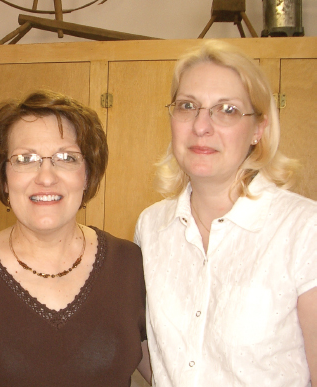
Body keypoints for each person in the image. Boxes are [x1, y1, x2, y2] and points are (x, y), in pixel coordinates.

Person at [0, 90, 150, 386]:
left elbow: (176, 372)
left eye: (66, 158)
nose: (46, 177)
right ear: (4, 177)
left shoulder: (131, 267)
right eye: (25, 159)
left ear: (87, 175)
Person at [135, 40, 317, 386]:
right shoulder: (152, 226)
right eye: (188, 106)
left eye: (227, 110)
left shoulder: (305, 230)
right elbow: (155, 354)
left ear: (259, 129)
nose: (202, 126)